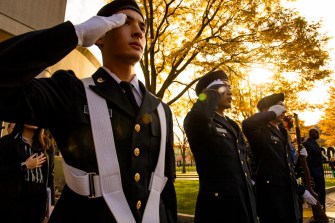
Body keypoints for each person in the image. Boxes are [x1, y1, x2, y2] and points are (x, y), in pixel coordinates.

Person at [0, 0, 177, 222]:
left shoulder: (161, 110)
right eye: (124, 22)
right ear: (101, 35)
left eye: (142, 27)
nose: (138, 32)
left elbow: (166, 188)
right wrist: (74, 34)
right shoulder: (71, 92)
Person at [184, 70, 258, 223]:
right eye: (223, 88)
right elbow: (202, 117)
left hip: (243, 205)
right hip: (219, 210)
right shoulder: (196, 118)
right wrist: (211, 92)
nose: (230, 92)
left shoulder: (232, 125)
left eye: (229, 88)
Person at [242, 93, 316, 223]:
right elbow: (247, 124)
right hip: (273, 200)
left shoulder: (283, 132)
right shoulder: (259, 131)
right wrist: (271, 114)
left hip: (290, 197)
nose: (284, 109)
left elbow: (286, 166)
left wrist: (300, 159)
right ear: (267, 110)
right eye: (279, 107)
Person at [0, 124, 50, 223]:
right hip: (14, 199)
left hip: (38, 199)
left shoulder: (46, 143)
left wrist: (49, 204)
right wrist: (24, 165)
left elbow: (50, 175)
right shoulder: (6, 142)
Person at [303, 128, 326, 211]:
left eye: (318, 132)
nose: (318, 134)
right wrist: (309, 175)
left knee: (321, 193)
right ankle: (318, 212)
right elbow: (306, 161)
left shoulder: (315, 143)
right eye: (316, 132)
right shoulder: (307, 144)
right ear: (311, 134)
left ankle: (322, 209)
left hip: (319, 173)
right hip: (314, 174)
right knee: (316, 194)